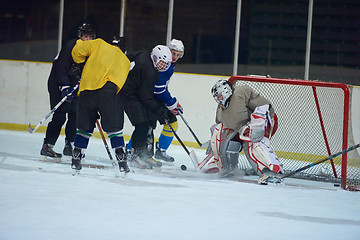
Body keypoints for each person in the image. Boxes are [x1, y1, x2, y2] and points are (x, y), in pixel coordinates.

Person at [197, 79, 284, 184]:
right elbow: (220, 125)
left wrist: (256, 124)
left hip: (264, 120)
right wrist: (214, 141)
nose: (217, 99)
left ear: (226, 91)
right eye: (216, 97)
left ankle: (272, 171)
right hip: (241, 128)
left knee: (251, 139)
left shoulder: (241, 92)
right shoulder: (221, 109)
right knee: (221, 134)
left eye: (219, 96)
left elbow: (264, 106)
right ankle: (226, 168)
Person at [70, 35, 131, 173]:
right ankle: (121, 160)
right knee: (114, 130)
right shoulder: (126, 61)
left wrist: (81, 62)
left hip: (86, 91)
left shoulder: (99, 44)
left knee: (84, 128)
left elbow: (77, 51)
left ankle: (76, 157)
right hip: (108, 93)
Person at [40, 23, 95, 158]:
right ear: (80, 36)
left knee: (75, 115)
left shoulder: (91, 50)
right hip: (57, 84)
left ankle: (70, 145)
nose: (87, 39)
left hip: (74, 85)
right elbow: (61, 68)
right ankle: (47, 146)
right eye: (84, 36)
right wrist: (64, 86)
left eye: (89, 37)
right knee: (59, 116)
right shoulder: (71, 45)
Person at [125, 39, 185, 163]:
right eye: (173, 53)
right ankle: (131, 151)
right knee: (146, 127)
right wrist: (172, 104)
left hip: (155, 100)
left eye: (178, 55)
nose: (175, 57)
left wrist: (171, 103)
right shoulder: (164, 65)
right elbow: (159, 90)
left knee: (171, 124)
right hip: (150, 100)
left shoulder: (169, 65)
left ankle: (160, 151)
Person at [118, 45, 173, 169]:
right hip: (126, 94)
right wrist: (161, 112)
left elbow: (127, 57)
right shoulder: (150, 72)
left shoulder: (143, 54)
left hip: (130, 92)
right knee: (142, 124)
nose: (163, 66)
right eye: (162, 63)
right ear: (155, 57)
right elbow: (146, 98)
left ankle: (139, 154)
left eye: (166, 64)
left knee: (145, 123)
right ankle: (134, 155)